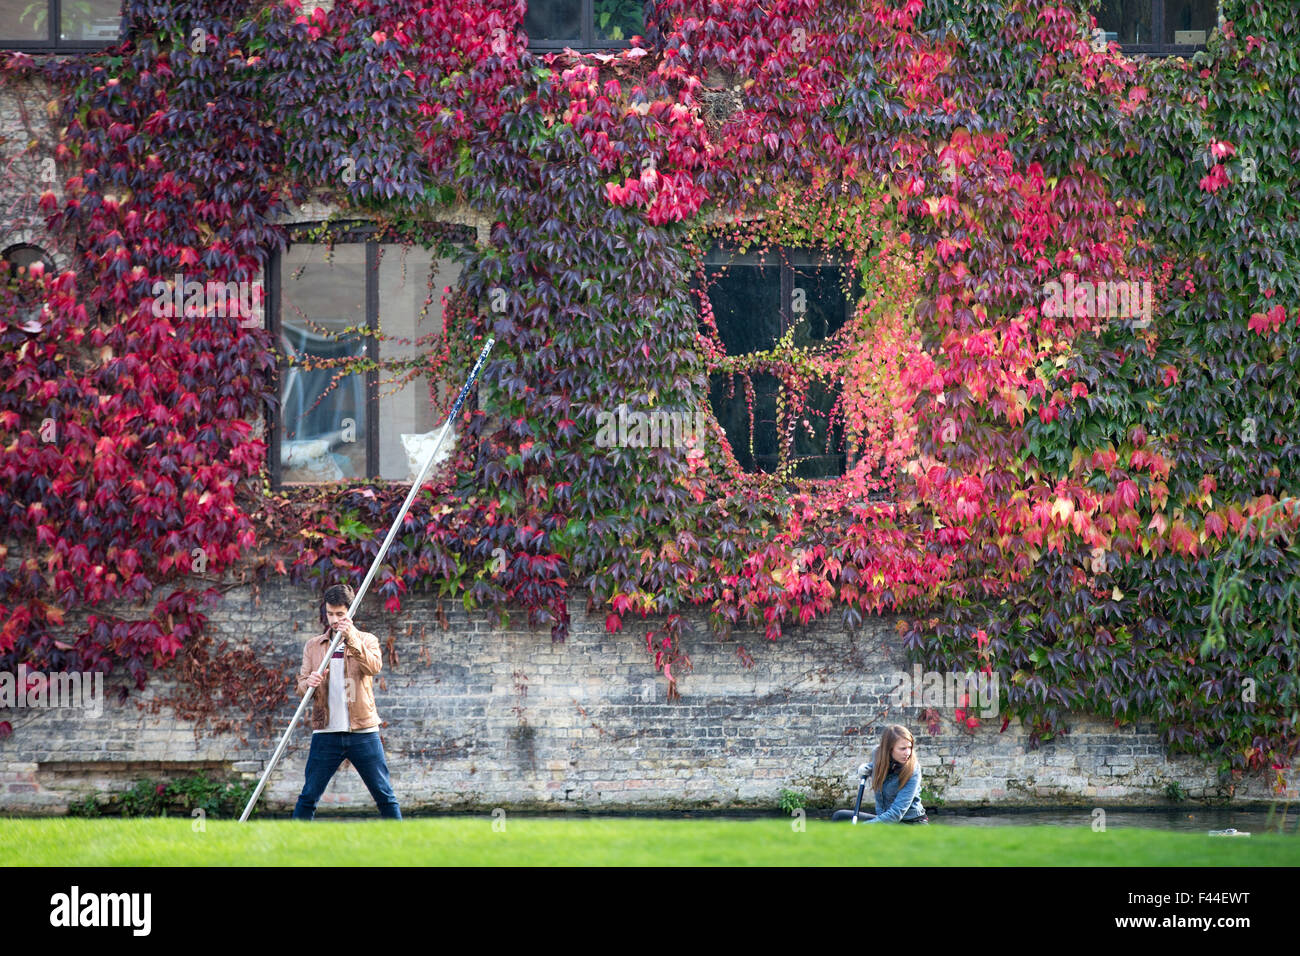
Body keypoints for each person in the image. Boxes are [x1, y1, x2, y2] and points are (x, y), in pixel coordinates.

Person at [291, 583, 402, 820]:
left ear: (351, 612)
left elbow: (373, 667)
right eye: (330, 613)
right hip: (326, 731)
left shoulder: (367, 640)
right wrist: (309, 682)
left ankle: (403, 847)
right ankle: (291, 846)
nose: (333, 619)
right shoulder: (314, 646)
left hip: (363, 730)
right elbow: (301, 688)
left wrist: (351, 638)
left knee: (384, 794)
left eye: (340, 614)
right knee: (309, 795)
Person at [831, 724, 929, 824]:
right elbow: (879, 764)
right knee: (839, 817)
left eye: (910, 747)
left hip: (910, 823)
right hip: (884, 818)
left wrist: (861, 828)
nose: (908, 753)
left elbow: (896, 814)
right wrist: (866, 767)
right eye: (903, 748)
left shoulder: (913, 770)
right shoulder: (877, 754)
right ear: (889, 749)